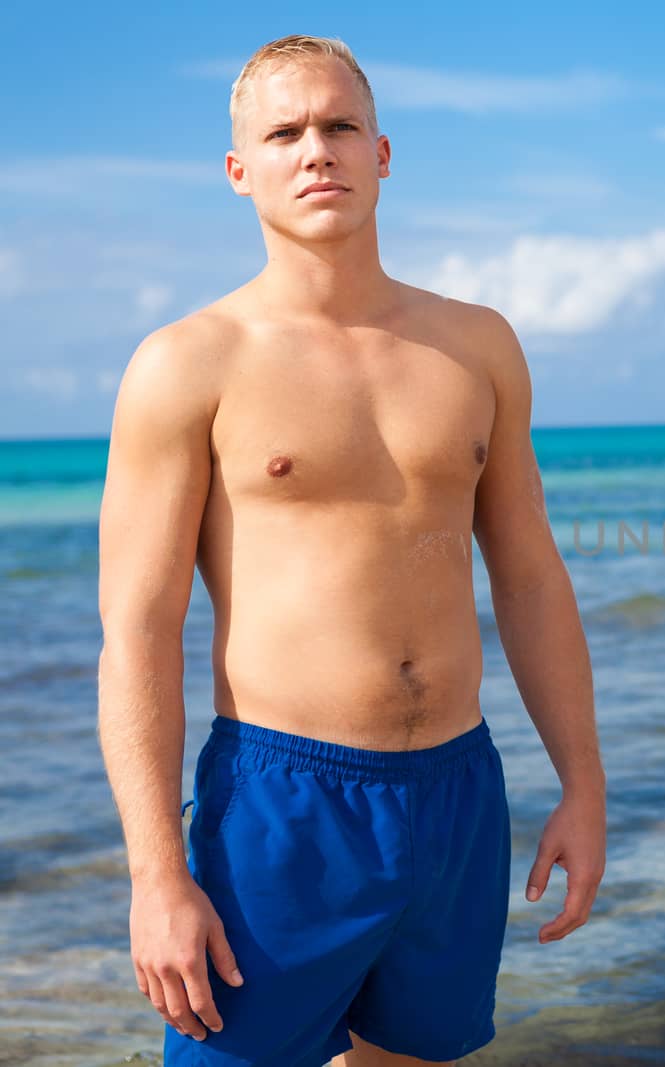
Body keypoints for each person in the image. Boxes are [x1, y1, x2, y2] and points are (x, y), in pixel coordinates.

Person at [95, 33, 607, 1066]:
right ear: (241, 172)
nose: (314, 149)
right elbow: (139, 630)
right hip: (284, 801)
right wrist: (157, 875)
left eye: (338, 125)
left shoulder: (476, 345)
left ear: (382, 152)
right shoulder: (190, 363)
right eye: (284, 133)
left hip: (459, 787)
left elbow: (528, 574)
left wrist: (583, 784)